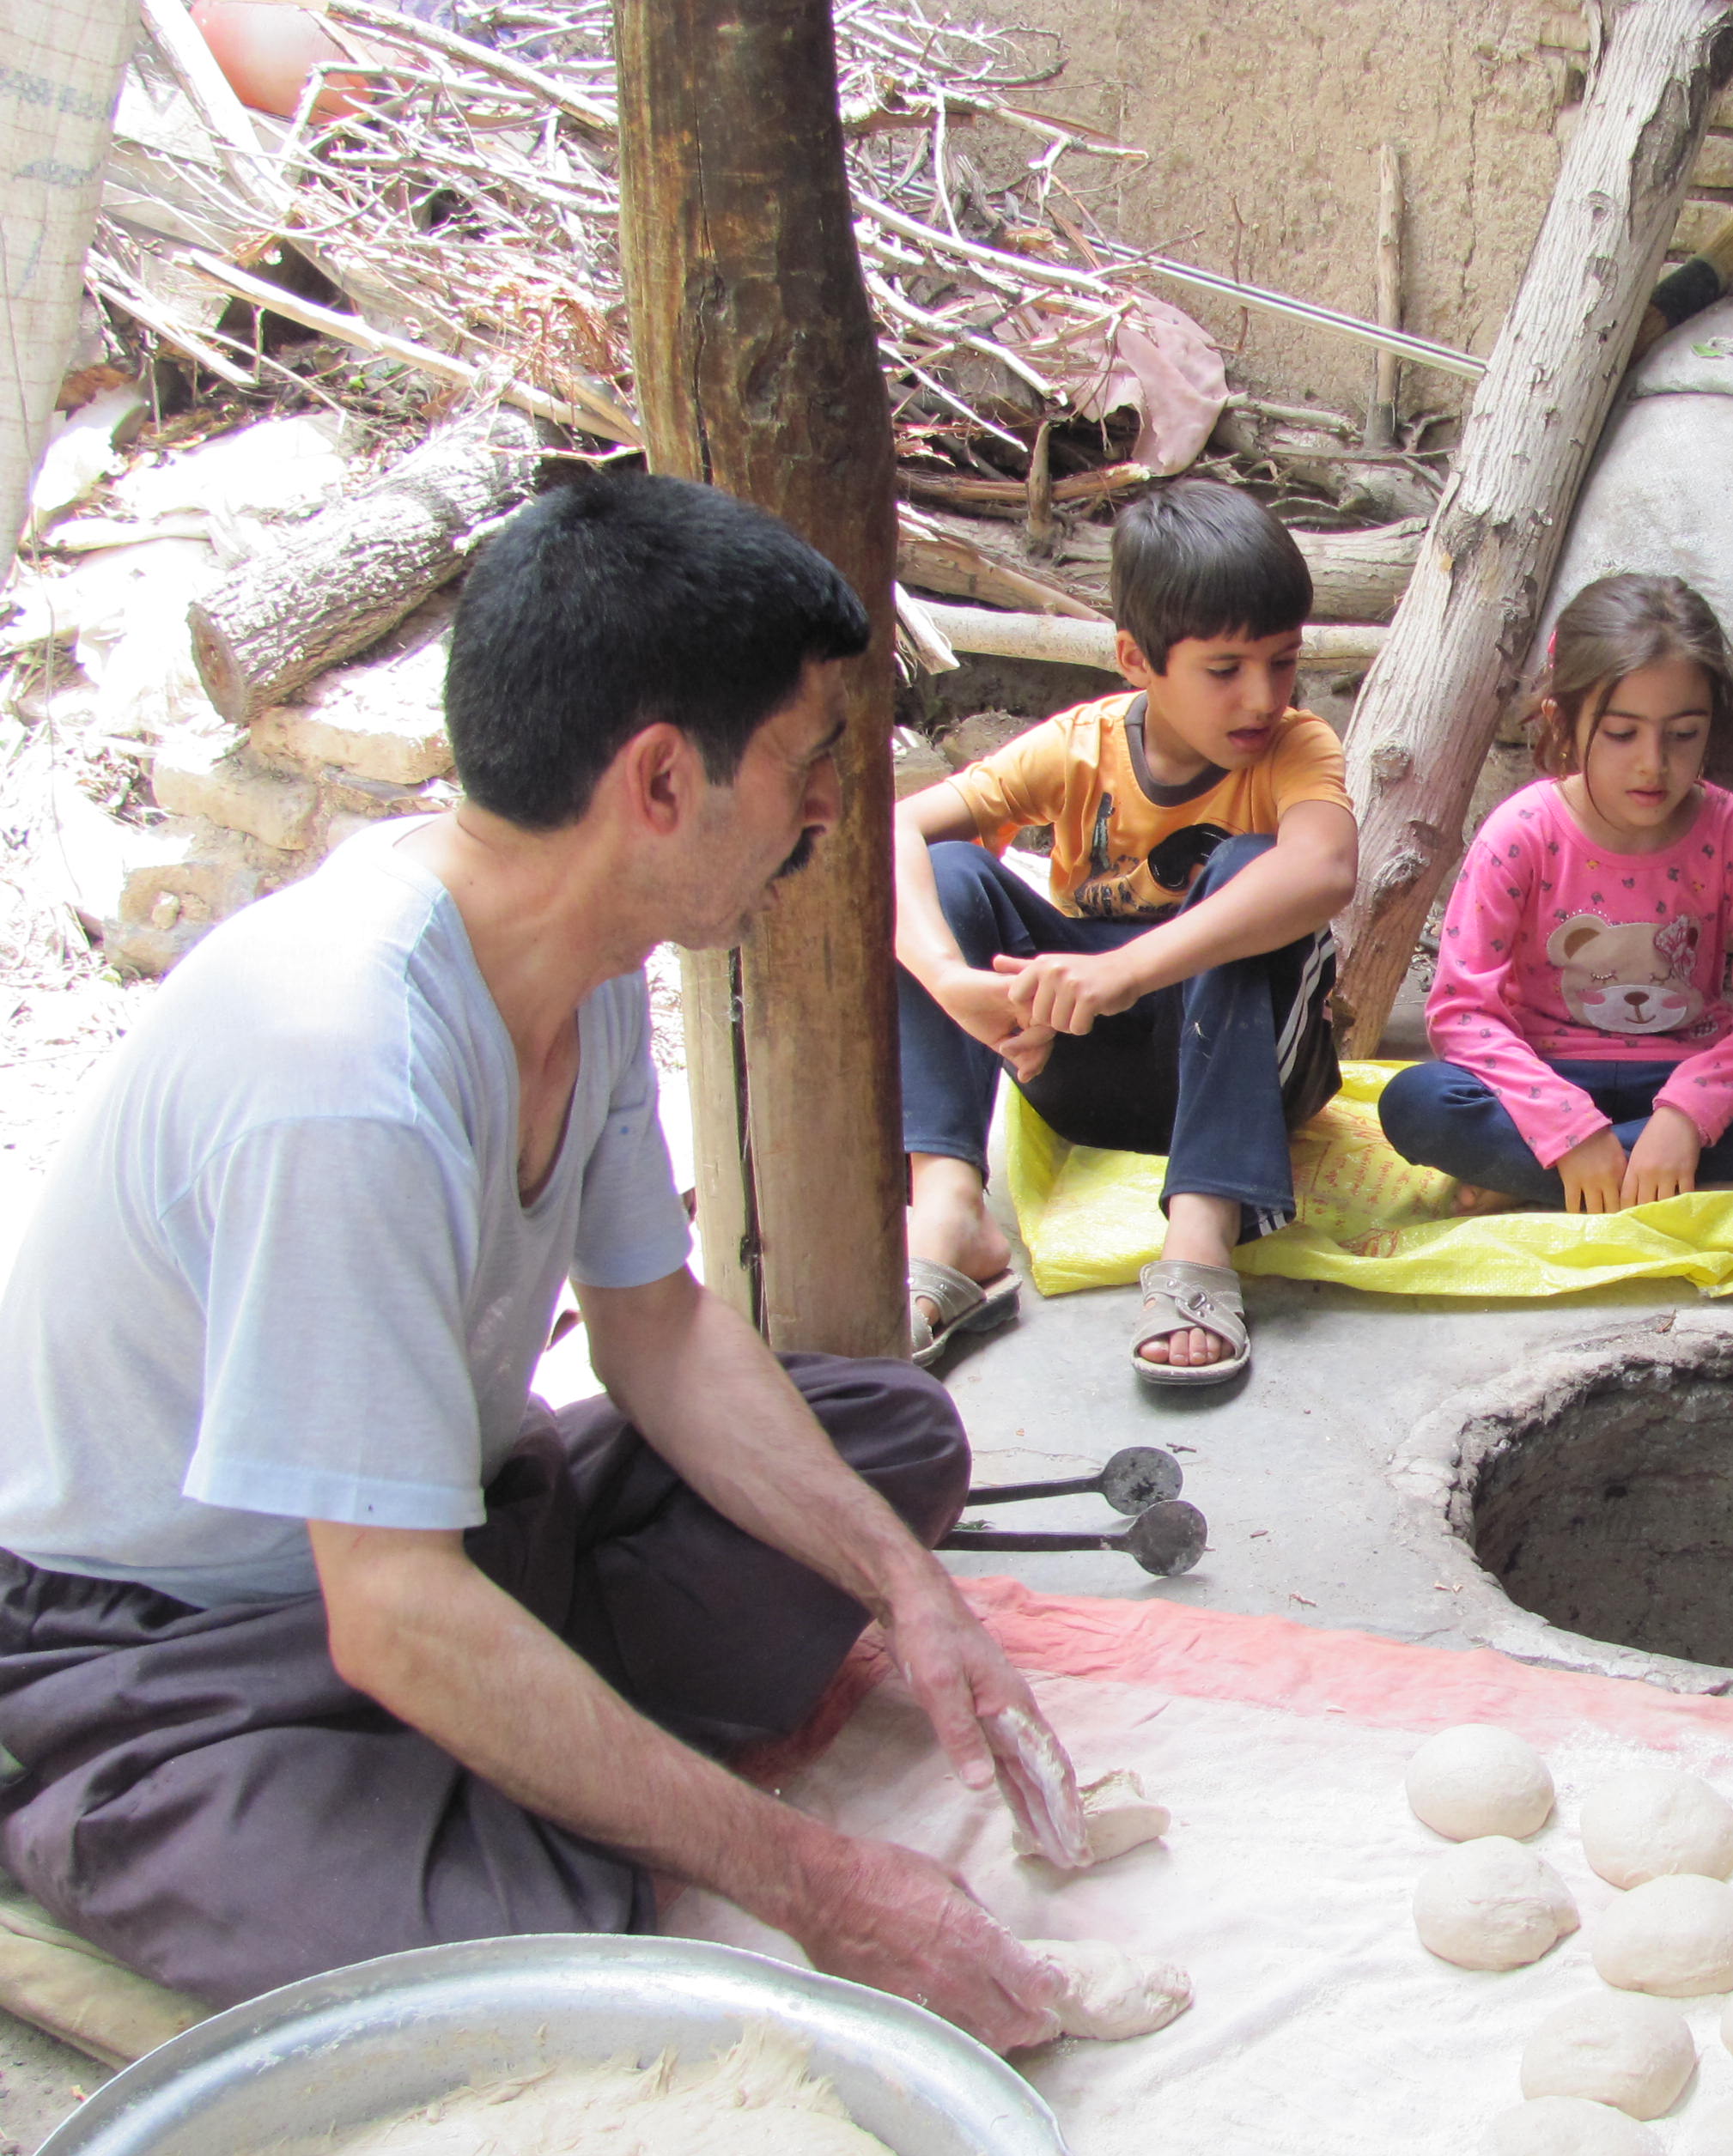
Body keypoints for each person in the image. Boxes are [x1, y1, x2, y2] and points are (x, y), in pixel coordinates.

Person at [0, 471, 1078, 2049]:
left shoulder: (574, 962)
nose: (831, 810)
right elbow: (382, 1608)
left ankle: (503, 1754)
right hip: (176, 1641)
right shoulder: (344, 1069)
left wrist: (908, 1590)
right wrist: (818, 1885)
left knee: (887, 1444)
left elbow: (653, 1329)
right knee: (554, 1959)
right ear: (658, 779)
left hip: (460, 1531)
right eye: (803, 762)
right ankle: (156, 1809)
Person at [891, 479, 1358, 1387]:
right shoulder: (1077, 746)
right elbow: (891, 828)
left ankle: (1202, 1230)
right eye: (1225, 669)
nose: (1262, 696)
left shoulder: (1299, 749)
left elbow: (1324, 872)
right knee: (945, 871)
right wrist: (956, 985)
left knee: (1248, 868)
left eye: (1283, 661)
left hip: (1250, 1071)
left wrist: (1131, 971)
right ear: (1138, 660)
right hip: (1079, 1069)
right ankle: (951, 1211)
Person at [1377, 573, 1733, 1214]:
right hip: (1544, 1078)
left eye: (1683, 733)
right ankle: (1695, 1186)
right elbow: (1464, 1013)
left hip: (1687, 1078)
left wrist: (1687, 1116)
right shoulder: (1519, 835)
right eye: (1622, 733)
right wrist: (1564, 1127)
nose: (1652, 764)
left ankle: (1561, 1182)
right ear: (1563, 722)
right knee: (1417, 1105)